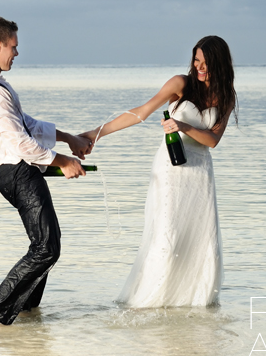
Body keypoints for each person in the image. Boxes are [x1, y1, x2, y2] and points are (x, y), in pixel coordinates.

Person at [81, 36, 237, 307]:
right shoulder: (180, 84)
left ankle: (194, 304)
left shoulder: (226, 97)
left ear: (220, 65)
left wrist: (183, 126)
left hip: (200, 173)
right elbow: (142, 111)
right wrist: (97, 133)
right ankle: (148, 303)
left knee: (200, 238)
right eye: (196, 60)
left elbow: (213, 140)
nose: (199, 67)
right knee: (168, 236)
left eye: (206, 62)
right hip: (170, 170)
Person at [0, 17, 93, 325]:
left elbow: (26, 124)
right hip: (17, 172)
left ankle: (26, 310)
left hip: (11, 171)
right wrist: (63, 161)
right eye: (13, 47)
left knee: (46, 244)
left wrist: (69, 137)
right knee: (47, 247)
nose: (16, 54)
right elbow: (19, 142)